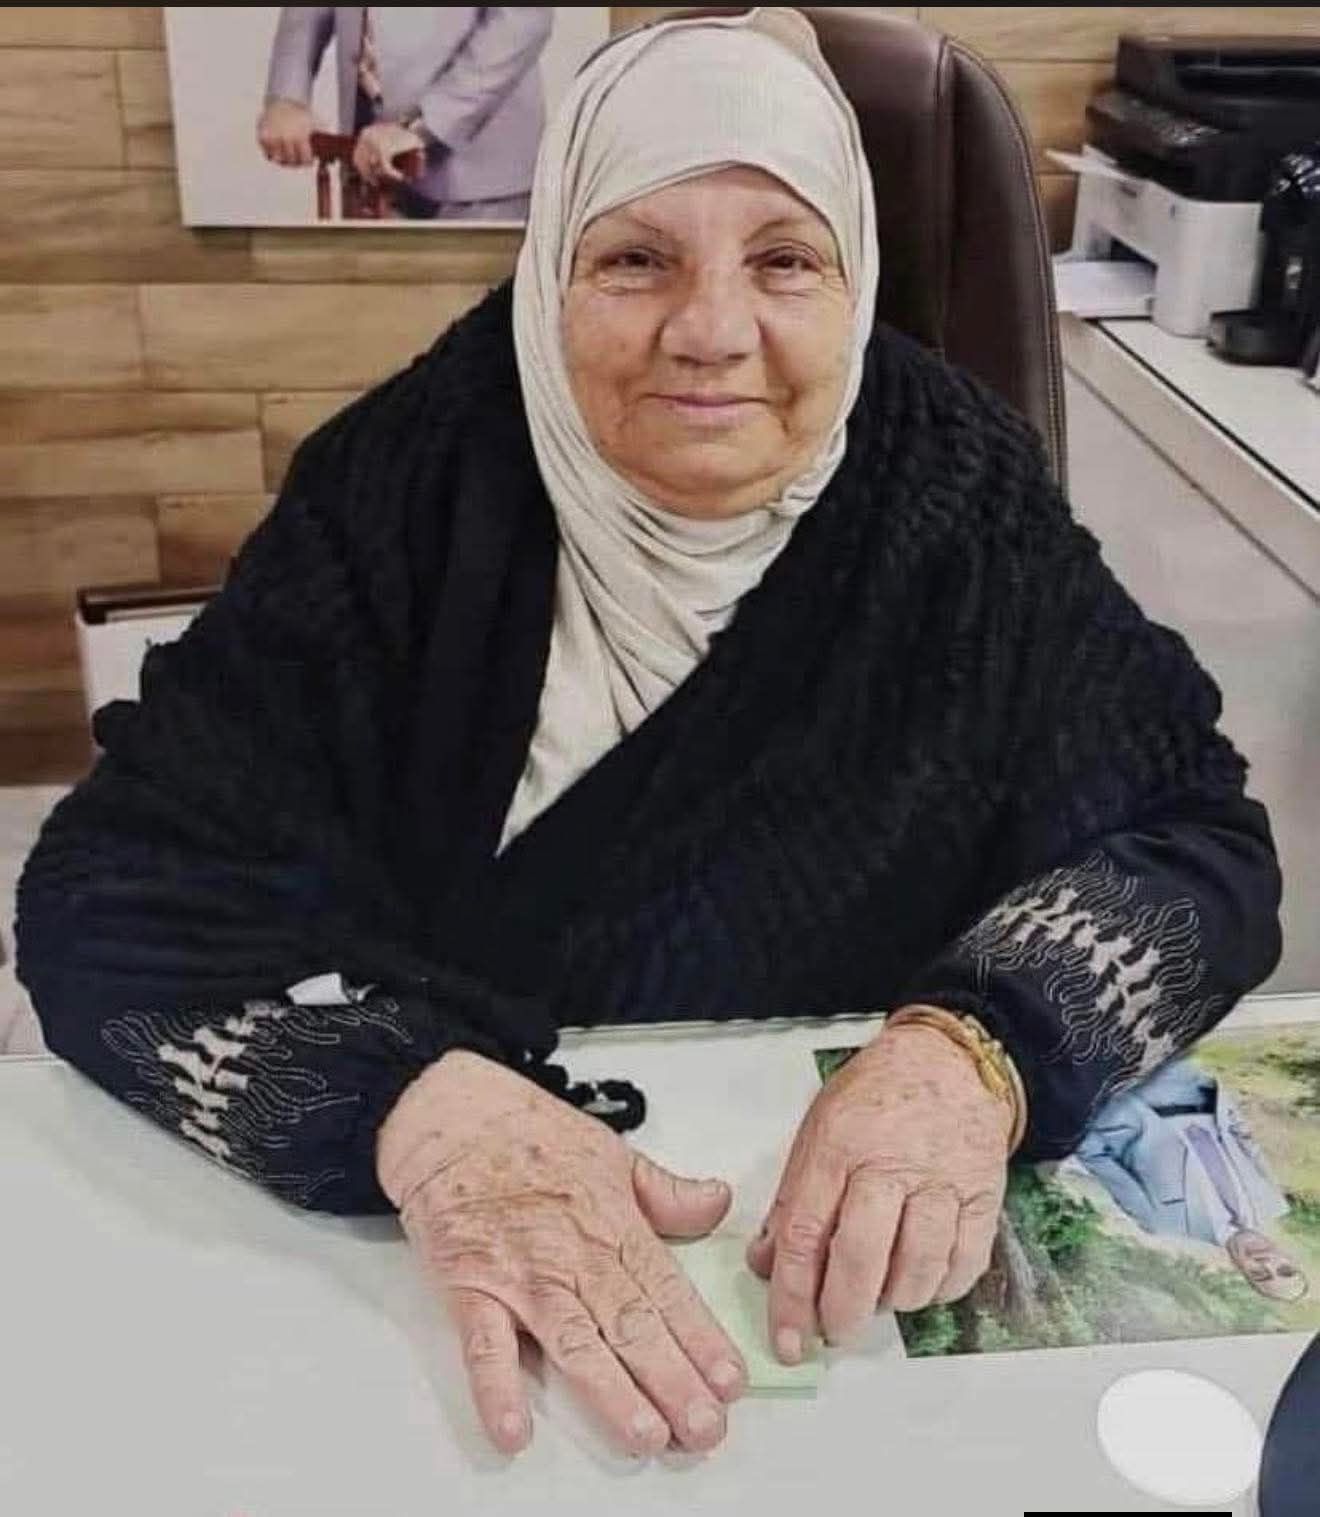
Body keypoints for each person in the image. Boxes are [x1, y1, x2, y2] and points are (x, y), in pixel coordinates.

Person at [18, 6, 1282, 1461]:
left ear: (857, 278)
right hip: (425, 1263)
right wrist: (404, 1108)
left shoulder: (955, 491)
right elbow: (108, 896)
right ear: (551, 270)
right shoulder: (409, 478)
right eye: (635, 259)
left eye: (785, 260)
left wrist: (975, 1050)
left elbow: (1196, 841)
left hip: (822, 1282)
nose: (712, 333)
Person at [257, 7, 553, 221]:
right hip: (366, 167)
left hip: (480, 180)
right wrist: (287, 95)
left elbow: (523, 20)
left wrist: (421, 125)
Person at [1074, 1057, 1309, 1302]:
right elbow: (1243, 1138)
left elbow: (1096, 1159)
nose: (1265, 1262)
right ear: (1289, 1257)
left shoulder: (1163, 1224)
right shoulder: (1273, 1201)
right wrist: (1211, 1090)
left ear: (1241, 1271)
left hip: (1113, 1105)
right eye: (1284, 1269)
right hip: (1184, 1082)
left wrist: (1086, 1109)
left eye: (1259, 1275)